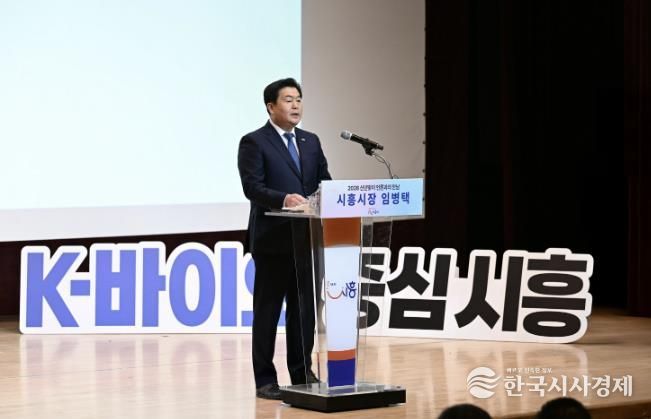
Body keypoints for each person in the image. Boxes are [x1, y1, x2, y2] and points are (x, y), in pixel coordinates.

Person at [237, 78, 331, 400]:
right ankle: (265, 380)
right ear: (271, 106)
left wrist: (328, 196)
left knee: (303, 312)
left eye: (299, 99)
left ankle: (303, 373)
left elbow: (324, 181)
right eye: (288, 100)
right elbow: (252, 187)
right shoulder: (254, 142)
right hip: (273, 241)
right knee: (268, 312)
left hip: (306, 239)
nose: (296, 105)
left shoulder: (310, 141)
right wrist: (283, 199)